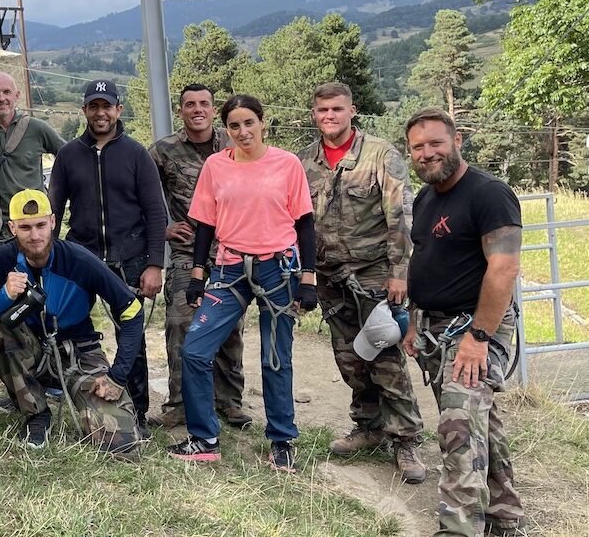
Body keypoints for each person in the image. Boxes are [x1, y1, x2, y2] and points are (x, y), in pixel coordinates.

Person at [167, 94, 317, 473]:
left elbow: (304, 224)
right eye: (234, 125)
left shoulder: (287, 164)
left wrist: (309, 278)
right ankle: (204, 438)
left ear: (262, 123)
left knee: (275, 355)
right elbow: (204, 224)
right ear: (227, 129)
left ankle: (282, 440)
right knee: (196, 350)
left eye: (249, 122)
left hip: (278, 269)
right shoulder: (217, 166)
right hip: (229, 268)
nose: (243, 131)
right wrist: (198, 275)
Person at [403, 108, 525, 537]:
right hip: (436, 327)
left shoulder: (489, 193)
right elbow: (425, 259)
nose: (426, 153)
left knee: (456, 426)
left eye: (435, 143)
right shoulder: (426, 197)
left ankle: (458, 528)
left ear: (457, 142)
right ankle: (505, 512)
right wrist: (415, 322)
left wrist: (479, 337)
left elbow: (504, 269)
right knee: (476, 422)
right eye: (417, 147)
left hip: (475, 327)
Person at [298, 82, 426, 483]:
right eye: (322, 110)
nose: (329, 116)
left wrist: (399, 273)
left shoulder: (379, 155)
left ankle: (405, 439)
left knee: (385, 357)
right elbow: (299, 221)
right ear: (314, 115)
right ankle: (369, 426)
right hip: (329, 274)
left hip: (374, 273)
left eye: (337, 109)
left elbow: (399, 219)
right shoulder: (305, 162)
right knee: (350, 357)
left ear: (352, 111)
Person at [0, 189, 143, 456]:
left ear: (53, 222)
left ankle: (87, 401)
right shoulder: (5, 258)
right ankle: (36, 415)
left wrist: (117, 376)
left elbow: (133, 311)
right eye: (25, 227)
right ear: (12, 227)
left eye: (40, 225)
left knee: (121, 444)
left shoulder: (79, 259)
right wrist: (4, 296)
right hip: (31, 351)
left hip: (79, 352)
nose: (34, 236)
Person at [48, 78, 167, 432]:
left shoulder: (136, 154)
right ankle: (70, 396)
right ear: (84, 110)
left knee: (132, 336)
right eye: (94, 106)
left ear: (118, 110)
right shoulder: (68, 155)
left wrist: (155, 264)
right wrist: (49, 260)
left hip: (128, 257)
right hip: (81, 256)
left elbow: (155, 212)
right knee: (66, 328)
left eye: (107, 106)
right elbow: (54, 208)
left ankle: (138, 412)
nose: (101, 113)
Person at [147, 84, 249, 429]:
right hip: (188, 253)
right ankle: (179, 403)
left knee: (230, 329)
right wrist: (164, 226)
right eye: (190, 104)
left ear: (213, 107)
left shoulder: (236, 142)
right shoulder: (163, 151)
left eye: (204, 103)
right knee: (181, 326)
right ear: (181, 110)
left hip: (232, 252)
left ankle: (229, 401)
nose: (197, 109)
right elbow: (141, 192)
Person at [0, 72, 66, 238]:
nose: (1, 98)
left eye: (7, 92)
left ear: (16, 96)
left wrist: (55, 193)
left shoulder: (36, 128)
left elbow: (69, 156)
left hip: (35, 224)